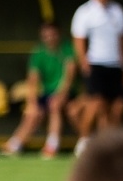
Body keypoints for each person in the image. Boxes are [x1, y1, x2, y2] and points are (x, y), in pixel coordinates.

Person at [71, 0, 123, 149]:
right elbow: (79, 39)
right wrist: (83, 61)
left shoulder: (117, 10)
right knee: (96, 103)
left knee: (117, 107)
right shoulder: (85, 12)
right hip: (95, 64)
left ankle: (109, 145)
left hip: (115, 65)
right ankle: (83, 141)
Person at [4, 22, 76, 159]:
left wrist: (61, 95)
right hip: (46, 93)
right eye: (46, 35)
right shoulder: (38, 52)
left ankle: (52, 145)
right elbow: (32, 80)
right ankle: (15, 144)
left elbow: (69, 76)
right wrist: (32, 103)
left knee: (54, 105)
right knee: (33, 113)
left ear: (59, 34)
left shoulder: (67, 49)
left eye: (52, 35)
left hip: (66, 92)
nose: (49, 38)